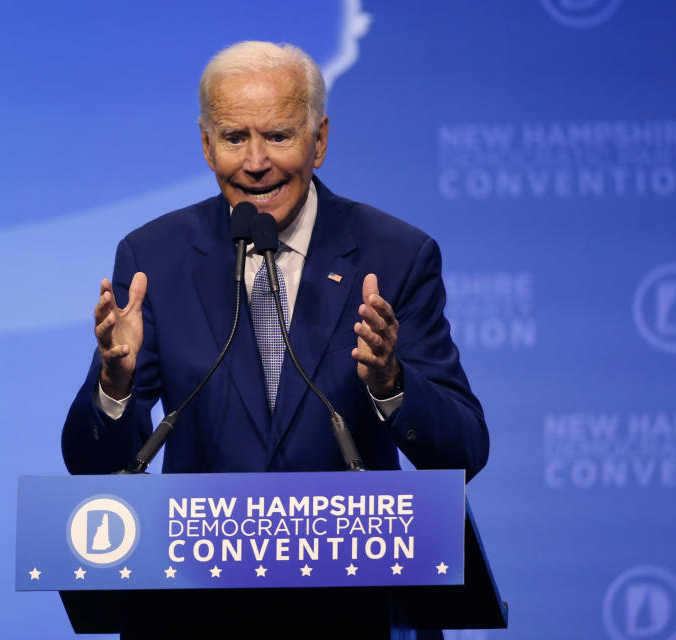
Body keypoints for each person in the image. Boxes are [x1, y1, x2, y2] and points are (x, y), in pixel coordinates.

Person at [62, 41, 488, 638]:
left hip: (356, 610)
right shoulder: (153, 256)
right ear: (206, 145)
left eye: (280, 136)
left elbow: (464, 452)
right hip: (197, 612)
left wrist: (393, 385)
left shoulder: (395, 254)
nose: (255, 162)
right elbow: (92, 465)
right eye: (234, 138)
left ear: (320, 140)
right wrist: (114, 385)